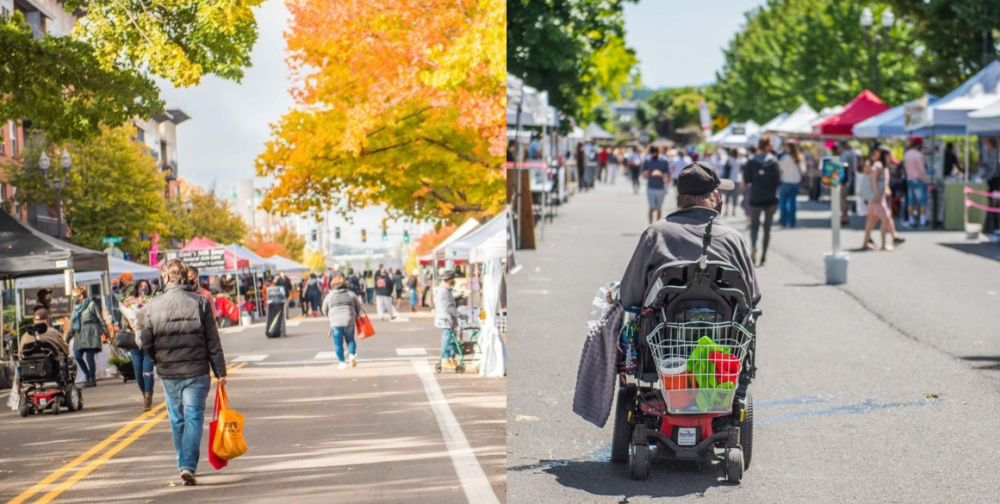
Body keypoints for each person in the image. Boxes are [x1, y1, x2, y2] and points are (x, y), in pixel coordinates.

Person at [619, 161, 757, 308]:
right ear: (715, 196)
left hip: (665, 328)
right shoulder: (733, 238)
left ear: (680, 196)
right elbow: (752, 296)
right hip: (724, 328)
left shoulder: (656, 233)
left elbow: (629, 296)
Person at [140, 259, 227, 487]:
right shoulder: (200, 302)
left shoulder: (153, 305)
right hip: (197, 370)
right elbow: (212, 339)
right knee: (194, 417)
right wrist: (220, 370)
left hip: (169, 371)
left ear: (167, 278)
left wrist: (156, 359)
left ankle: (184, 464)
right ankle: (187, 465)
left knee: (177, 419)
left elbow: (146, 340)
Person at [744, 135, 781, 266]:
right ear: (768, 146)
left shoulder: (751, 161)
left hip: (756, 197)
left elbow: (747, 179)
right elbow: (778, 181)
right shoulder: (774, 161)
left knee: (754, 227)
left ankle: (753, 245)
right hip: (771, 198)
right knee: (767, 228)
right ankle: (764, 256)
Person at [121, 279, 156, 410]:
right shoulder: (129, 303)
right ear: (136, 288)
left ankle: (149, 397)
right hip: (134, 341)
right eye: (141, 286)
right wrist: (131, 324)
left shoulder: (153, 302)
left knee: (148, 370)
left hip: (148, 339)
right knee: (137, 372)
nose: (143, 288)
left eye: (146, 286)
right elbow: (124, 320)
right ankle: (144, 393)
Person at [67, 286, 109, 388]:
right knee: (77, 356)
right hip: (80, 334)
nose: (73, 299)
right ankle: (88, 375)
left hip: (91, 333)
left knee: (90, 357)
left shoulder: (91, 305)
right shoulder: (76, 307)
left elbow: (100, 319)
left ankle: (92, 379)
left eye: (74, 296)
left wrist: (106, 333)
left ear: (81, 296)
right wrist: (67, 338)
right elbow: (73, 324)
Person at [862, 148, 903, 251]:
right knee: (884, 218)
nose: (890, 158)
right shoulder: (879, 165)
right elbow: (873, 180)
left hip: (879, 197)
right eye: (889, 155)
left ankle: (865, 243)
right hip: (878, 198)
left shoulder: (882, 166)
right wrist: (877, 193)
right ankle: (883, 244)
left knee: (871, 221)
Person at [321, 275, 363, 370]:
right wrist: (354, 315)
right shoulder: (351, 294)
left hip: (335, 322)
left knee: (338, 343)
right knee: (350, 340)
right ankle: (352, 355)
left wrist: (330, 316)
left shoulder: (330, 296)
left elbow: (324, 309)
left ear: (333, 284)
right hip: (349, 320)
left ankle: (342, 362)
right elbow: (358, 308)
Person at [434, 271, 460, 368]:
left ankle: (450, 358)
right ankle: (445, 358)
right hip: (445, 318)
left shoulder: (445, 289)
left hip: (447, 318)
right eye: (452, 279)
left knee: (450, 338)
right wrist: (459, 315)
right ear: (449, 280)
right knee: (447, 338)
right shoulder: (444, 291)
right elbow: (448, 307)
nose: (453, 280)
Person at [902, 138, 929, 228]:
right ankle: (922, 221)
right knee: (923, 201)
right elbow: (922, 170)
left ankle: (911, 220)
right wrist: (925, 180)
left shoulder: (907, 154)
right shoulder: (918, 155)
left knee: (910, 201)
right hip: (918, 179)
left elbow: (905, 168)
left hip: (909, 179)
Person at [778, 142, 806, 228]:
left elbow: (781, 169)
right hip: (796, 182)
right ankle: (792, 222)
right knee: (792, 203)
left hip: (786, 181)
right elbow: (803, 170)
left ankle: (783, 222)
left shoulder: (785, 158)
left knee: (783, 202)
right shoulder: (800, 157)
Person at [642, 146, 672, 224]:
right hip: (651, 186)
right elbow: (644, 174)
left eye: (655, 152)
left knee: (659, 208)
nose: (653, 154)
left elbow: (667, 174)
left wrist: (660, 174)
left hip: (660, 187)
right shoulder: (648, 160)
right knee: (651, 207)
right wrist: (647, 173)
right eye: (652, 153)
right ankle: (650, 225)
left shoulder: (664, 161)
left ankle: (657, 224)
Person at [981, 137, 1000, 238]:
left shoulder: (994, 153)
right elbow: (989, 166)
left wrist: (987, 177)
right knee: (993, 206)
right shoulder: (990, 152)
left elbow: (993, 169)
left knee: (995, 206)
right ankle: (994, 228)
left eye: (987, 143)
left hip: (995, 182)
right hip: (992, 181)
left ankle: (995, 228)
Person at [838, 140, 858, 225]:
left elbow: (843, 168)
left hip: (845, 180)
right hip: (848, 179)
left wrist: (841, 180)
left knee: (842, 199)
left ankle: (844, 216)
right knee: (844, 199)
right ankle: (845, 216)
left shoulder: (845, 154)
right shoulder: (850, 154)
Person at [721, 148, 742, 216]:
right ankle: (734, 211)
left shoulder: (729, 160)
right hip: (737, 179)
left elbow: (725, 170)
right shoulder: (739, 160)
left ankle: (726, 211)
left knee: (727, 196)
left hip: (730, 179)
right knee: (735, 196)